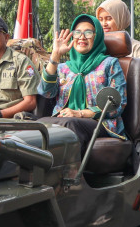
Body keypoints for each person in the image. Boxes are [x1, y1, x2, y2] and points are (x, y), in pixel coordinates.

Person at [38, 14, 127, 156]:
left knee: (71, 124)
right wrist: (55, 55)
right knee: (38, 125)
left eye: (88, 32)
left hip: (100, 122)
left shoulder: (109, 64)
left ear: (97, 37)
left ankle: (72, 176)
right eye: (77, 32)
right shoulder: (62, 68)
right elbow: (45, 92)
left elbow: (118, 104)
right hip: (64, 120)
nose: (82, 37)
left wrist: (80, 114)